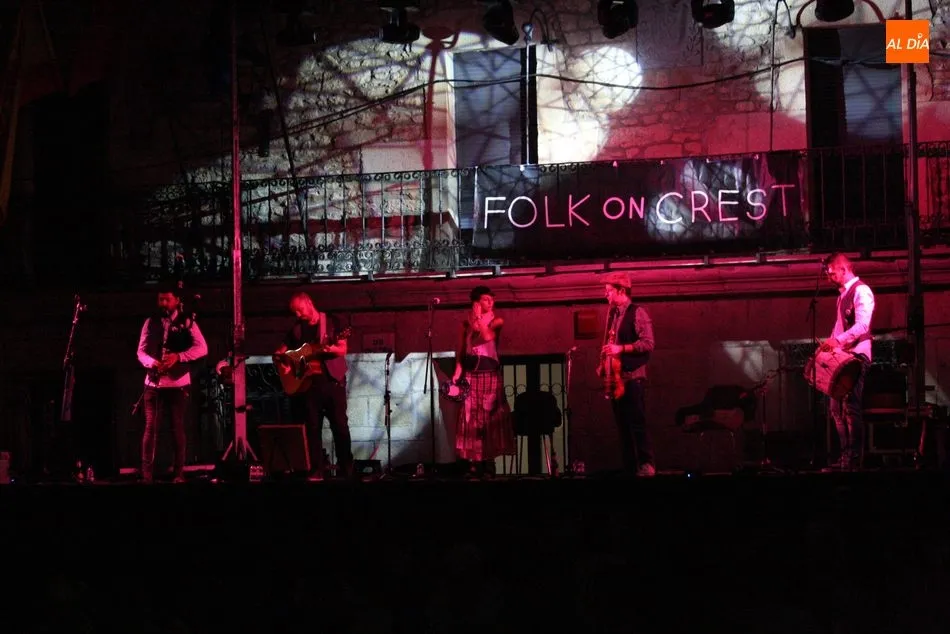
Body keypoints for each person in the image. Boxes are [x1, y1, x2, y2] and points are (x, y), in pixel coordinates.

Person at [274, 292, 352, 480]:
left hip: (333, 383)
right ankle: (316, 470)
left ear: (309, 303)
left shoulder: (332, 322)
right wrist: (284, 364)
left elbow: (342, 349)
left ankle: (347, 469)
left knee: (340, 426)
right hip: (309, 386)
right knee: (312, 429)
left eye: (300, 310)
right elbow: (279, 353)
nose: (298, 315)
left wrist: (330, 349)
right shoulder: (297, 330)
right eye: (295, 312)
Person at [136, 283, 208, 483]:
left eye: (167, 299)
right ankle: (147, 475)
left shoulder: (188, 322)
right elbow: (141, 351)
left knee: (177, 428)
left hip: (178, 384)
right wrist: (152, 362)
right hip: (154, 384)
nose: (164, 303)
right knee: (151, 428)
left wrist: (179, 357)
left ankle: (178, 473)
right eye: (161, 299)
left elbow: (202, 348)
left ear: (177, 300)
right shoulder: (150, 322)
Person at [452, 286, 515, 477]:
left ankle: (488, 462)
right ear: (476, 302)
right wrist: (457, 373)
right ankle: (474, 462)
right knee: (471, 419)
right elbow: (461, 350)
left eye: (492, 299)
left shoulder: (496, 320)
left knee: (489, 418)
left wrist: (479, 318)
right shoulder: (465, 324)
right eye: (486, 299)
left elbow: (486, 337)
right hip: (471, 376)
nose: (491, 302)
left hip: (489, 375)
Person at [821, 253, 875, 470]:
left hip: (857, 356)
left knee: (850, 407)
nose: (829, 277)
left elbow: (862, 326)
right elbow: (839, 328)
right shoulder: (842, 296)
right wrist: (829, 345)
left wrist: (837, 341)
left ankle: (854, 459)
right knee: (836, 409)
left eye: (832, 273)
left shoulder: (861, 291)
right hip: (844, 357)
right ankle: (846, 456)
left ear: (843, 269)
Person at [600, 272, 656, 477]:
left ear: (621, 291)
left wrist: (621, 349)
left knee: (637, 423)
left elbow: (648, 343)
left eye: (609, 291)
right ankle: (630, 467)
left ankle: (646, 464)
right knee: (622, 426)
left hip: (632, 377)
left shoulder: (637, 312)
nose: (606, 295)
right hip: (617, 379)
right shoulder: (613, 315)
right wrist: (603, 363)